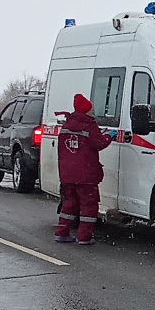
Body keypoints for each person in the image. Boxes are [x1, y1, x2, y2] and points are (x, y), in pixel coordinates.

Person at [54, 92, 112, 246]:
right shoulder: (89, 125)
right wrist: (108, 136)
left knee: (69, 203)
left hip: (68, 173)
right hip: (86, 174)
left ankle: (61, 232)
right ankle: (84, 236)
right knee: (89, 205)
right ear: (87, 110)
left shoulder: (67, 124)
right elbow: (98, 143)